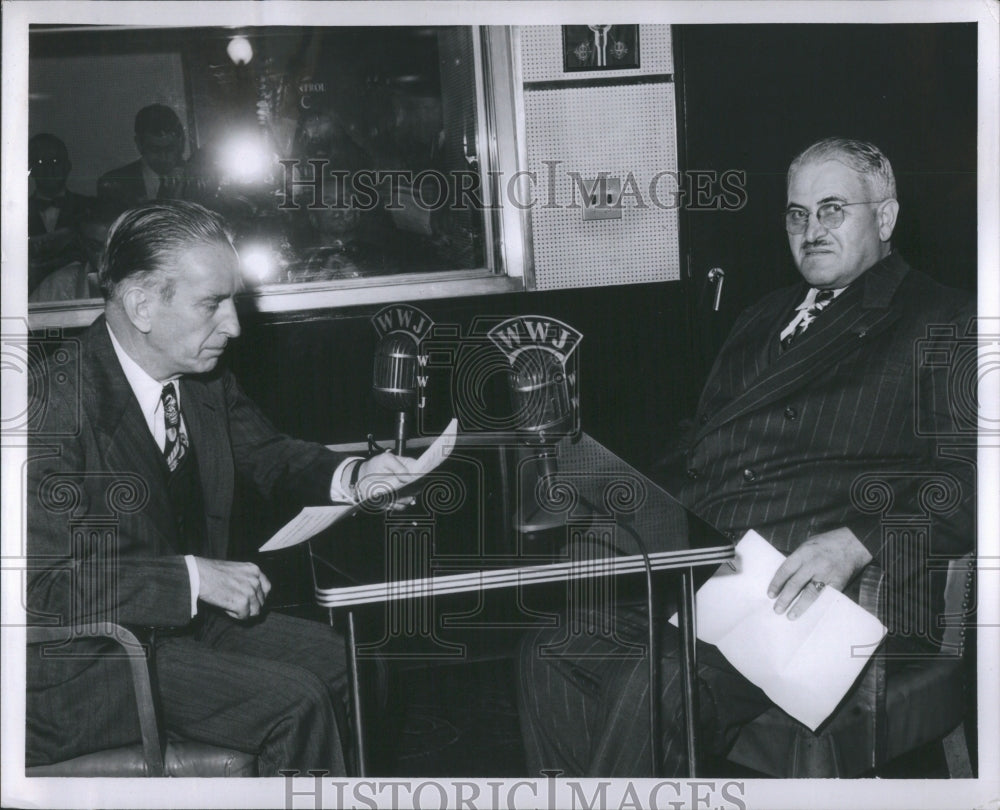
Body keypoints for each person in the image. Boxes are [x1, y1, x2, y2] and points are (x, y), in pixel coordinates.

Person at [517, 138, 976, 776]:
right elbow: (700, 444)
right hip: (712, 572)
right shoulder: (763, 315)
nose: (810, 230)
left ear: (887, 217)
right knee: (551, 650)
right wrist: (616, 498)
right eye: (796, 214)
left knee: (655, 685)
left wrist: (857, 542)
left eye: (832, 210)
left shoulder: (943, 319)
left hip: (832, 593)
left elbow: (977, 480)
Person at [26, 200, 422, 775]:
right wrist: (192, 576)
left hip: (178, 630)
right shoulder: (46, 408)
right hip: (92, 660)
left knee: (356, 666)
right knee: (297, 703)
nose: (234, 326)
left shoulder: (201, 380)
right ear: (141, 304)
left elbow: (266, 452)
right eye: (212, 303)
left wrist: (357, 475)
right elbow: (39, 584)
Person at [28, 133, 95, 293]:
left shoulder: (91, 209)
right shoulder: (15, 213)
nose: (49, 168)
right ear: (29, 169)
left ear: (68, 166)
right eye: (40, 162)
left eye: (55, 162)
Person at [97, 104, 192, 209]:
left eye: (170, 149)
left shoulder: (197, 179)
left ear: (180, 142)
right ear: (139, 144)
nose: (163, 157)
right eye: (155, 150)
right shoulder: (114, 184)